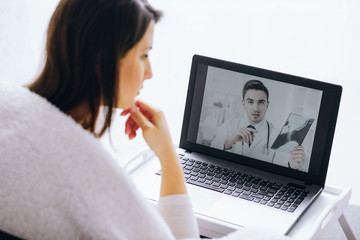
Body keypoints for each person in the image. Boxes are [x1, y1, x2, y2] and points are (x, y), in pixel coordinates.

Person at [0, 0, 290, 239]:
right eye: (143, 55)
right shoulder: (92, 176)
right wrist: (167, 155)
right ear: (102, 62)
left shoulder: (9, 110)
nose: (149, 72)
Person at [211, 80, 306, 169]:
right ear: (243, 104)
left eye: (260, 102)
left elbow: (283, 164)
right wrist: (230, 140)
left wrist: (291, 165)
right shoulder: (229, 126)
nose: (255, 108)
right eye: (250, 102)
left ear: (267, 105)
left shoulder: (277, 135)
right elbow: (211, 153)